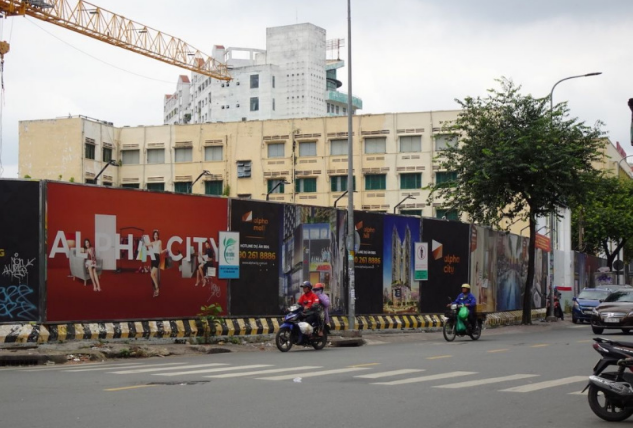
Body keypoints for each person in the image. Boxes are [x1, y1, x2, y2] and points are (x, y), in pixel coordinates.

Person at [148, 230, 167, 298]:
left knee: (152, 274)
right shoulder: (152, 243)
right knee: (154, 275)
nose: (155, 236)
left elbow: (160, 251)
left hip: (157, 258)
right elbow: (146, 244)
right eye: (154, 235)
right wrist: (142, 240)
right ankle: (155, 290)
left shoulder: (159, 241)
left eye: (156, 235)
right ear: (153, 236)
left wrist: (164, 250)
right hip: (152, 258)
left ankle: (157, 288)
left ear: (158, 236)